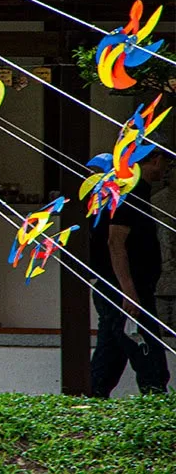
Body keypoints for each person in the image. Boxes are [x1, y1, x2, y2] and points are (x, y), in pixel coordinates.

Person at [89, 153, 171, 397]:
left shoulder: (130, 190)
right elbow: (115, 242)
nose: (167, 169)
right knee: (148, 357)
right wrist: (129, 291)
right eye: (166, 162)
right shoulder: (129, 191)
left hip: (121, 288)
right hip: (125, 289)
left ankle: (92, 398)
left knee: (109, 357)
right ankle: (156, 405)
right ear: (155, 160)